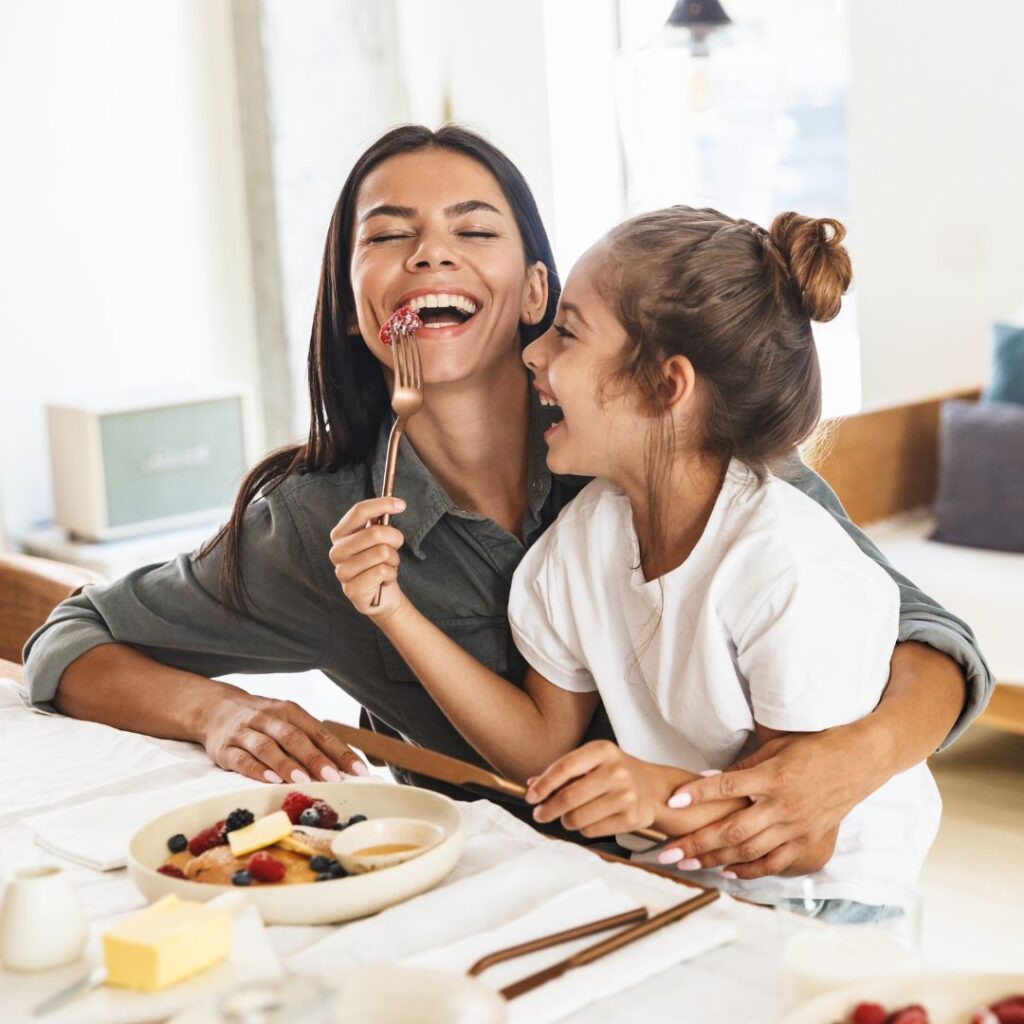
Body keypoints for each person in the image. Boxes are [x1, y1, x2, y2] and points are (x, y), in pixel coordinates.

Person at [24, 125, 989, 880]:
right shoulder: (317, 528)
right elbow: (70, 640)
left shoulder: (674, 444)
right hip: (520, 900)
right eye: (388, 234)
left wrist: (844, 765)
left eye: (473, 230)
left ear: (537, 291)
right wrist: (215, 713)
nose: (430, 254)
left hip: (753, 891)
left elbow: (933, 638)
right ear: (352, 296)